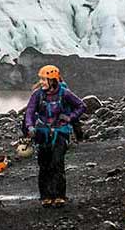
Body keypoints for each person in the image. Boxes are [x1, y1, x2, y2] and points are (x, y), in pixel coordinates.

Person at [24, 65, 86, 208]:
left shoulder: (64, 93)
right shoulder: (37, 95)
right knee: (44, 164)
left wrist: (70, 118)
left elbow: (81, 106)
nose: (41, 82)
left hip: (60, 132)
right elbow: (30, 112)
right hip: (42, 133)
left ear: (53, 80)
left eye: (44, 79)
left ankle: (59, 196)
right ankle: (45, 196)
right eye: (41, 79)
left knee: (57, 162)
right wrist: (30, 127)